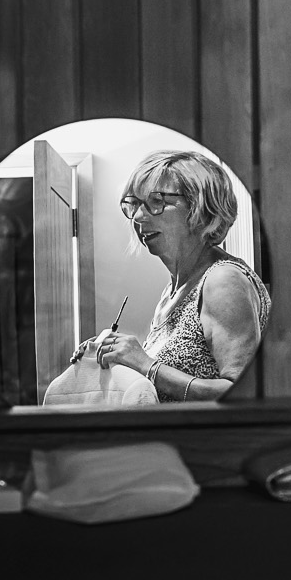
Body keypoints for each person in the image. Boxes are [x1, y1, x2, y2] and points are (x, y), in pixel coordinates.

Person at [91, 150, 271, 403]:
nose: (139, 218)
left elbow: (242, 393)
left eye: (157, 201)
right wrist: (115, 353)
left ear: (201, 207)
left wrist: (146, 364)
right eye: (134, 204)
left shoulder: (222, 281)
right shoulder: (174, 290)